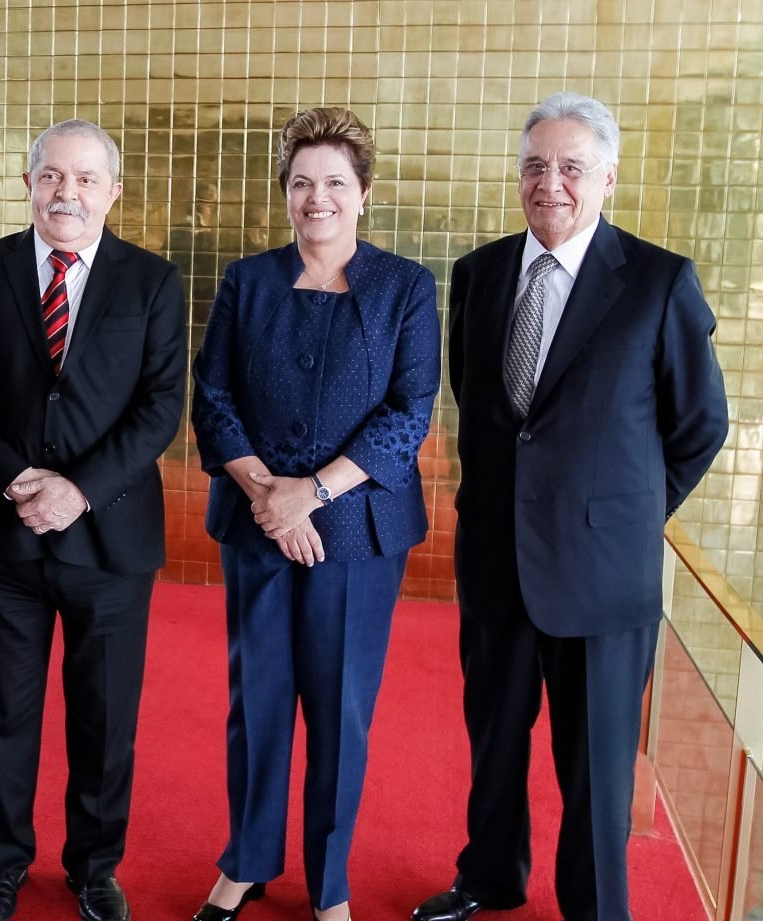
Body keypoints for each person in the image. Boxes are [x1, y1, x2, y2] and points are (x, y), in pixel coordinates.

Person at [411, 92, 729, 921]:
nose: (550, 182)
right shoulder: (477, 275)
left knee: (594, 764)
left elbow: (699, 423)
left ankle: (594, 908)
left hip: (602, 577)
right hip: (496, 561)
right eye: (535, 165)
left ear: (607, 178)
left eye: (571, 166)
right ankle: (489, 876)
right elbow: (478, 407)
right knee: (494, 743)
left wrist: (625, 514)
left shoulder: (658, 281)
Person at [189, 107, 441, 921]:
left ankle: (329, 885)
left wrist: (315, 491)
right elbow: (213, 394)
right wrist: (270, 494)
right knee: (256, 699)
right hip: (259, 524)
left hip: (357, 533)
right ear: (285, 193)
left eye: (335, 182)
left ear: (364, 194)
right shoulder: (246, 280)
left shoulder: (405, 286)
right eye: (302, 182)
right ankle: (246, 861)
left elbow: (410, 411)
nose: (317, 197)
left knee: (340, 710)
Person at [0, 118, 186, 921]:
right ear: (29, 183)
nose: (66, 192)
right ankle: (2, 862)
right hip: (8, 533)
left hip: (110, 537)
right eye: (52, 176)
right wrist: (15, 477)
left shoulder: (152, 282)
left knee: (105, 716)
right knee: (3, 709)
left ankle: (93, 866)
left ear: (113, 191)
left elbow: (159, 409)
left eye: (85, 179)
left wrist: (76, 489)